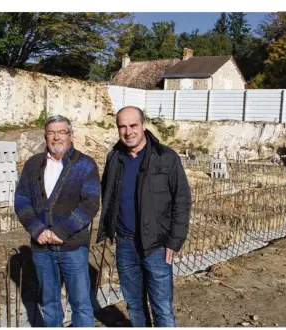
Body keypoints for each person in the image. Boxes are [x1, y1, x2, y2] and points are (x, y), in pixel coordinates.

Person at [97, 106, 191, 327]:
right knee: (134, 305)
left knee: (161, 307)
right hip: (125, 244)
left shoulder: (166, 157)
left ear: (143, 125)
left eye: (133, 125)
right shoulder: (115, 158)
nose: (128, 131)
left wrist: (175, 240)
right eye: (122, 126)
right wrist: (110, 226)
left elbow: (182, 200)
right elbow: (107, 193)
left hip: (156, 246)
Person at [14, 115, 100, 327]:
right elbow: (22, 199)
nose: (56, 137)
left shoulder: (85, 165)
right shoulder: (33, 164)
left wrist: (61, 232)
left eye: (61, 132)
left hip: (72, 246)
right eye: (51, 132)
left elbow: (89, 203)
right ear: (45, 135)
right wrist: (37, 229)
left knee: (80, 302)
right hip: (42, 248)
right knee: (49, 302)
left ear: (70, 135)